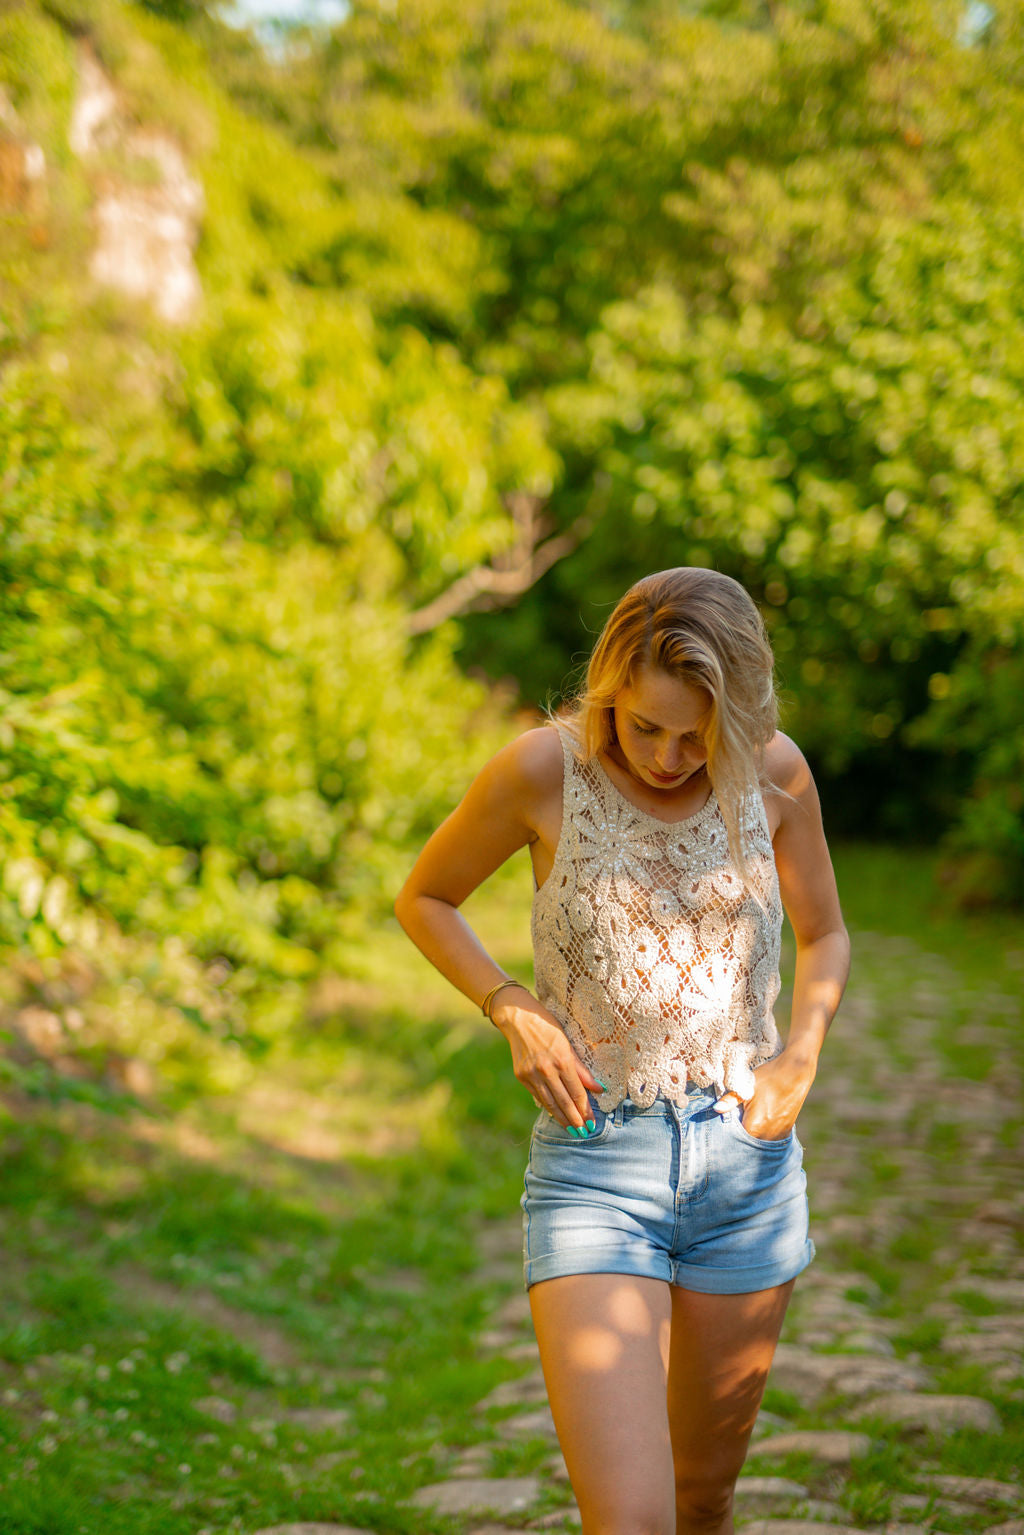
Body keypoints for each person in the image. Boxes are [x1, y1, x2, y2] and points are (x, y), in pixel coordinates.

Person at [394, 567, 850, 1535]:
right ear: (609, 685)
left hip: (746, 1173)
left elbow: (828, 933)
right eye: (646, 725)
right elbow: (424, 896)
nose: (671, 754)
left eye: (698, 734)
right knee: (632, 1517)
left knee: (702, 1500)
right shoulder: (538, 770)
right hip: (597, 1165)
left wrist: (800, 1053)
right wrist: (509, 1003)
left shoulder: (776, 771)